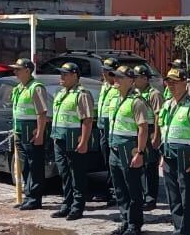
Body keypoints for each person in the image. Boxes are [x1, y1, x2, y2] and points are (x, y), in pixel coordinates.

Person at [158, 68, 190, 235]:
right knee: (173, 196)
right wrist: (163, 156)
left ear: (185, 82)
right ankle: (177, 231)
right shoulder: (168, 104)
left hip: (186, 156)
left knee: (187, 197)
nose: (170, 85)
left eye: (175, 82)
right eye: (168, 82)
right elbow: (164, 130)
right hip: (169, 154)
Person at [107, 65, 151, 235]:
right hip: (115, 148)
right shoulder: (115, 99)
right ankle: (124, 220)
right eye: (115, 77)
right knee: (119, 189)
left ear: (131, 81)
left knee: (133, 189)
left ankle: (134, 223)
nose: (115, 80)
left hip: (129, 149)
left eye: (119, 77)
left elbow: (143, 129)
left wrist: (140, 152)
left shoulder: (137, 101)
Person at [50, 62, 95, 221]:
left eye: (65, 74)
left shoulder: (82, 94)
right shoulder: (61, 93)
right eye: (61, 73)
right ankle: (66, 204)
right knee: (64, 173)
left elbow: (87, 120)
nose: (61, 77)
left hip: (73, 139)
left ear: (75, 75)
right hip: (60, 139)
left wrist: (83, 141)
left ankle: (77, 207)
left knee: (77, 174)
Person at [8, 57, 50, 211]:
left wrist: (39, 133)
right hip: (20, 131)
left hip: (31, 131)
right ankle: (28, 196)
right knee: (25, 166)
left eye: (18, 69)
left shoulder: (36, 87)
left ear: (27, 70)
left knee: (35, 166)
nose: (15, 72)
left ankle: (35, 198)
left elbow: (42, 113)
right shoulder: (20, 88)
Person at [133, 65, 163, 211]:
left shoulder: (154, 94)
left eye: (136, 77)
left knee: (150, 165)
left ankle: (151, 197)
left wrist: (157, 135)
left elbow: (158, 116)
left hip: (151, 129)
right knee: (140, 165)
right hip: (138, 130)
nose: (133, 79)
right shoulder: (134, 92)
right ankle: (142, 194)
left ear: (145, 78)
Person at [94, 58, 121, 205]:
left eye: (106, 70)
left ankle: (114, 191)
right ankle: (110, 190)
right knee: (107, 161)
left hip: (111, 127)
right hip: (102, 126)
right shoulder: (105, 86)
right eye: (103, 70)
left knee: (114, 161)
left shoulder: (118, 88)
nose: (103, 73)